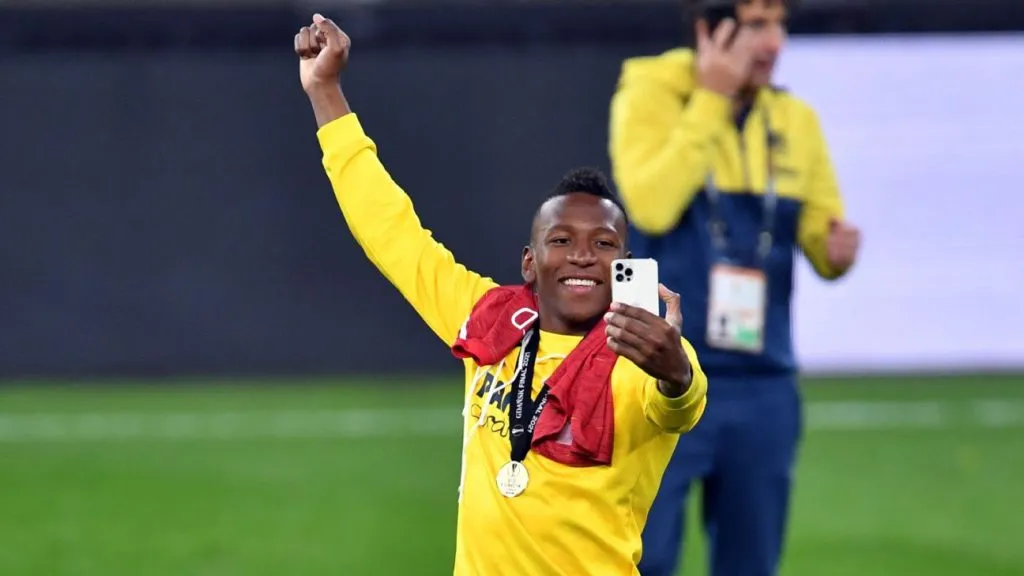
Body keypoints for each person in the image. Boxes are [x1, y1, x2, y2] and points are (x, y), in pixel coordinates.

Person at [294, 13, 711, 576]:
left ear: (624, 267)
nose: (582, 255)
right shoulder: (490, 318)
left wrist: (676, 372)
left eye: (603, 243)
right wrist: (325, 91)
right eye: (561, 241)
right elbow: (389, 229)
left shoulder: (640, 354)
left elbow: (680, 402)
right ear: (529, 263)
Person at [607, 1, 861, 575]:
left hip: (761, 379)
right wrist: (712, 99)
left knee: (751, 564)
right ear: (708, 30)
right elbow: (651, 205)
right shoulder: (648, 92)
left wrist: (836, 251)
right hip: (656, 373)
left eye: (780, 25)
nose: (774, 43)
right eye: (756, 26)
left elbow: (821, 241)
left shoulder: (794, 120)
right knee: (641, 560)